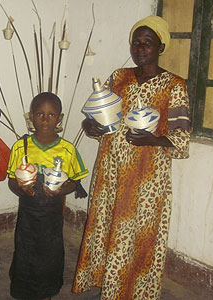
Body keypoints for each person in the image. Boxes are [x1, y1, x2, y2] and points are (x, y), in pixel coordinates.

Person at [72, 16, 190, 300]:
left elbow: (182, 139)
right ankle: (107, 282)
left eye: (147, 43)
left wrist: (152, 139)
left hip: (146, 180)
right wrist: (91, 126)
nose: (140, 48)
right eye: (136, 42)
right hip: (111, 173)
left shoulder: (174, 86)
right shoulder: (119, 77)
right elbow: (100, 119)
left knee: (136, 236)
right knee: (105, 227)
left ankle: (131, 290)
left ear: (160, 47)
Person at [7, 92, 89, 300]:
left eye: (51, 115)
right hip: (28, 217)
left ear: (59, 118)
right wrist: (21, 189)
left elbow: (75, 181)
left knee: (49, 257)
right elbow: (11, 180)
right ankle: (24, 292)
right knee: (25, 255)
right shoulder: (21, 147)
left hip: (52, 218)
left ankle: (47, 294)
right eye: (39, 114)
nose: (45, 120)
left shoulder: (67, 150)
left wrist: (61, 190)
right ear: (31, 116)